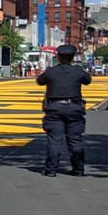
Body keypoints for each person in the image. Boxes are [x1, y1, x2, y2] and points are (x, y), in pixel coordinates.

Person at [36, 43, 92, 177]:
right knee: (75, 140)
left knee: (54, 140)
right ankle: (78, 169)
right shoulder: (78, 71)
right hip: (74, 108)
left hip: (54, 108)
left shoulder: (50, 71)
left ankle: (51, 170)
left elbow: (40, 81)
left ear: (58, 57)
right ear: (73, 57)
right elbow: (88, 80)